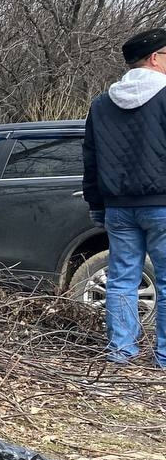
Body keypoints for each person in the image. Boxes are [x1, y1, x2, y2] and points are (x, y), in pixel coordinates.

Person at [83, 27, 166, 365]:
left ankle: (120, 353)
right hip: (162, 205)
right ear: (155, 57)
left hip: (118, 208)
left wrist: (96, 206)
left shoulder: (102, 103)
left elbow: (90, 158)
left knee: (120, 282)